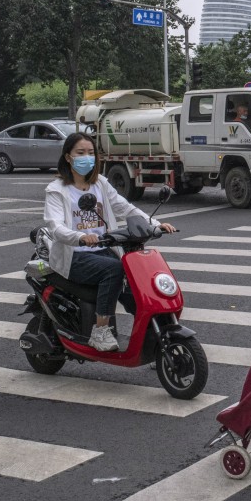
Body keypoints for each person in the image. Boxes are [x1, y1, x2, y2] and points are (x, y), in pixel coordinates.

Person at [43, 133, 176, 352]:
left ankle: (157, 336)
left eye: (90, 153)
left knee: (135, 280)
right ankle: (100, 331)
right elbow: (55, 226)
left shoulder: (100, 184)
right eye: (80, 153)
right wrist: (80, 236)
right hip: (75, 255)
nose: (87, 157)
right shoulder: (57, 190)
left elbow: (125, 207)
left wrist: (155, 224)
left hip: (103, 250)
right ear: (68, 157)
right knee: (114, 270)